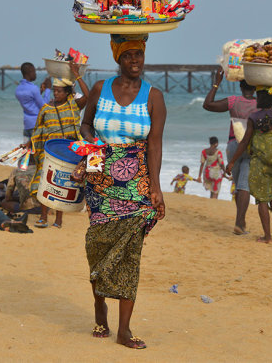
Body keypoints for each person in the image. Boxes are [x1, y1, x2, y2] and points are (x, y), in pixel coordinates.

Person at [79, 33, 166, 349]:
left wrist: (156, 189)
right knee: (98, 246)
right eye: (128, 55)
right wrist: (95, 145)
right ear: (119, 59)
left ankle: (124, 329)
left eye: (139, 55)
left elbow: (154, 144)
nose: (135, 61)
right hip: (100, 181)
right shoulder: (101, 89)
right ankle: (100, 307)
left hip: (136, 184)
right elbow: (85, 125)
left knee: (131, 253)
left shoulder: (153, 96)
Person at [226, 86, 272, 243]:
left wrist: (232, 161)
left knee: (262, 198)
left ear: (260, 99)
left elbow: (245, 141)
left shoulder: (254, 117)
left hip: (260, 162)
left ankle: (267, 236)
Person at [28, 63, 89, 228]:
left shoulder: (73, 105)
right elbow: (38, 129)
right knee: (45, 182)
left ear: (67, 93)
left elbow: (90, 96)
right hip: (48, 150)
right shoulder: (46, 109)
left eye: (59, 91)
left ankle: (59, 220)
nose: (55, 93)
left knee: (60, 183)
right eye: (54, 90)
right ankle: (43, 217)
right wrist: (29, 144)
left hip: (67, 152)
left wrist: (77, 75)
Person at [202, 69, 257, 234]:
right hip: (251, 146)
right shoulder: (259, 104)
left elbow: (208, 104)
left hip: (234, 145)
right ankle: (240, 223)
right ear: (255, 88)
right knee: (244, 185)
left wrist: (216, 83)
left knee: (238, 185)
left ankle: (240, 222)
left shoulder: (234, 101)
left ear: (240, 87)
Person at [16, 62, 52, 143]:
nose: (35, 74)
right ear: (30, 72)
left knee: (27, 151)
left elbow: (30, 101)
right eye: (34, 72)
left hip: (27, 126)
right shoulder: (33, 88)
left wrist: (40, 91)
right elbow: (44, 107)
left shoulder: (18, 89)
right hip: (36, 126)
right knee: (37, 152)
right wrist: (48, 89)